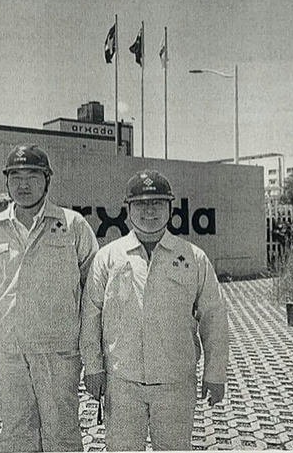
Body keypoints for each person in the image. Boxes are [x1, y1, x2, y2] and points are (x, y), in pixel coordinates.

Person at [80, 169, 229, 451]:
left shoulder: (193, 257)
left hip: (175, 383)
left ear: (170, 208)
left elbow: (214, 317)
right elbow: (91, 316)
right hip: (122, 383)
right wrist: (93, 367)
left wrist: (215, 373)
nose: (149, 211)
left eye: (157, 203)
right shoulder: (108, 257)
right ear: (128, 209)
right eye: (141, 204)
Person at [0, 144, 99, 452]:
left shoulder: (72, 225)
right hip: (9, 352)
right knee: (16, 432)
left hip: (57, 350)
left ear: (47, 180)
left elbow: (93, 288)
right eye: (15, 177)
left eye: (32, 176)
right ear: (7, 182)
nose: (23, 185)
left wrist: (90, 352)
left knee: (61, 433)